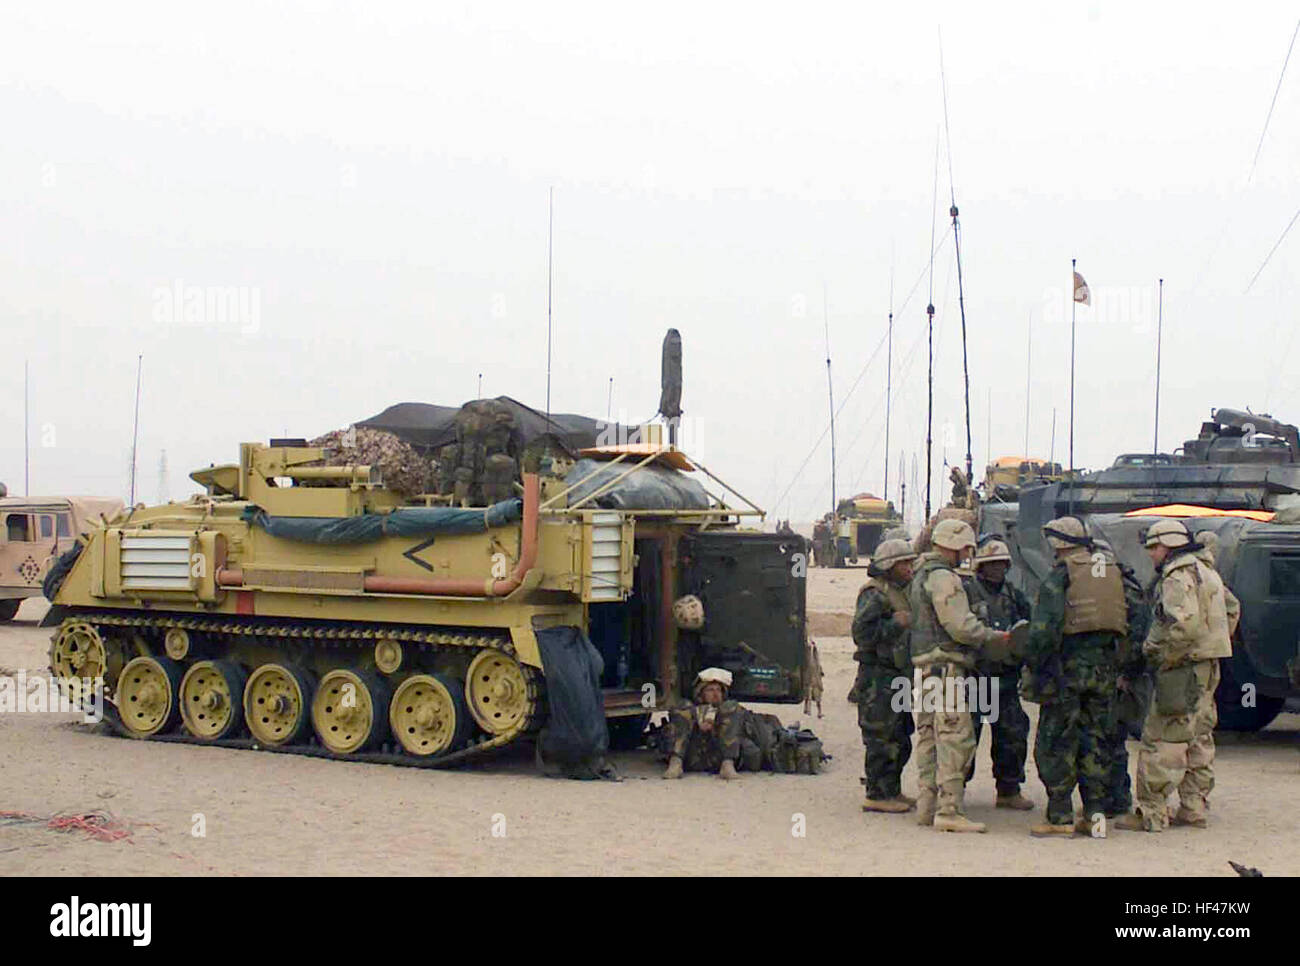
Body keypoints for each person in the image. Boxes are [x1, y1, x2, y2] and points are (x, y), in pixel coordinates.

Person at [1114, 519, 1234, 832]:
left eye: (1154, 547)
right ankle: (1193, 807)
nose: (1151, 554)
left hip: (1181, 667)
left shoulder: (1177, 575)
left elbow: (1183, 625)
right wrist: (1214, 642)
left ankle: (1152, 811)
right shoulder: (1207, 571)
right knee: (1199, 736)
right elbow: (1232, 609)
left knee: (1163, 737)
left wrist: (1157, 651)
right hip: (1207, 666)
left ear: (1169, 545)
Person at [1023, 516, 1128, 837]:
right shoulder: (1110, 570)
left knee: (1056, 740)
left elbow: (1044, 631)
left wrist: (1035, 665)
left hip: (1066, 671)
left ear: (1057, 544)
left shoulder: (1060, 576)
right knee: (1096, 740)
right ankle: (1095, 816)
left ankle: (1060, 817)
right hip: (1105, 671)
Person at [909, 519, 1011, 832]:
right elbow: (959, 625)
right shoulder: (943, 577)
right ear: (954, 545)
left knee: (929, 737)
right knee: (955, 738)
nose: (967, 555)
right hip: (948, 670)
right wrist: (993, 637)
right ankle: (949, 810)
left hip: (926, 670)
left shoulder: (919, 574)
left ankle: (927, 805)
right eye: (966, 548)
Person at [963, 539, 1034, 810]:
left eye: (1001, 564)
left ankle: (1008, 789)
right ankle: (954, 788)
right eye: (991, 564)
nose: (997, 570)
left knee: (1012, 735)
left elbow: (1028, 627)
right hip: (974, 677)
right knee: (964, 737)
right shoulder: (967, 592)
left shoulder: (1014, 594)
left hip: (1005, 679)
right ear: (981, 566)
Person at [851, 538, 918, 813]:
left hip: (898, 674)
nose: (909, 568)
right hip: (879, 676)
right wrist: (894, 625)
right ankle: (877, 794)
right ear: (889, 565)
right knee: (881, 735)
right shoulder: (875, 594)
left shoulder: (900, 591)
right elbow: (862, 635)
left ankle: (892, 789)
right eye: (904, 563)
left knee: (901, 734)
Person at [663, 667, 746, 780]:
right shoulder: (691, 709)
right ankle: (675, 763)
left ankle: (728, 765)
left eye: (718, 690)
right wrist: (697, 725)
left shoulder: (730, 710)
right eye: (710, 690)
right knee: (682, 707)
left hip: (719, 755)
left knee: (731, 707)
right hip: (692, 755)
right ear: (701, 693)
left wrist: (716, 727)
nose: (715, 693)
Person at [804, 640, 825, 718]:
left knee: (816, 698)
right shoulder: (809, 661)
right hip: (811, 679)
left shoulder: (816, 663)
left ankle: (817, 712)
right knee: (809, 696)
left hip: (815, 680)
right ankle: (808, 710)